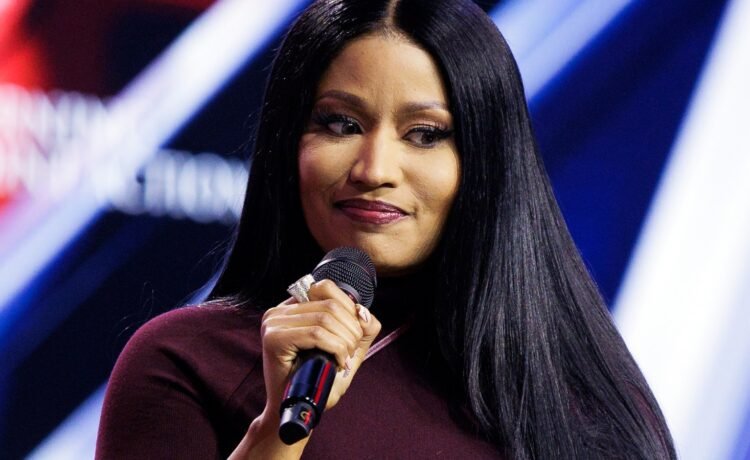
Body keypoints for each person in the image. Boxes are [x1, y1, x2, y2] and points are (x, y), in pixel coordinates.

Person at [96, 0, 677, 458]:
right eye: (340, 124)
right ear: (288, 143)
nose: (374, 169)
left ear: (486, 163)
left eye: (425, 134)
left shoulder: (581, 400)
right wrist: (277, 430)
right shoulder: (183, 363)